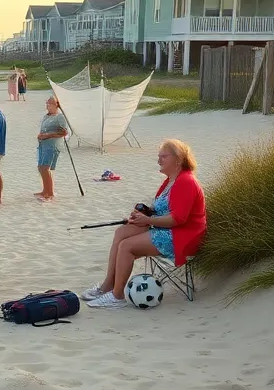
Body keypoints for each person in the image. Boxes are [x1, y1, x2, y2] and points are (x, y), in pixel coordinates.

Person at [82, 139, 206, 309]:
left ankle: (117, 296)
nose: (159, 160)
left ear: (178, 159)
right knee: (121, 233)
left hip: (182, 236)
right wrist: (143, 214)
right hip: (167, 228)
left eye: (164, 156)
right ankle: (108, 285)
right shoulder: (170, 180)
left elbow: (178, 219)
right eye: (158, 156)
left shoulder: (186, 181)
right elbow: (161, 210)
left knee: (126, 246)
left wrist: (147, 220)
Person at [35, 96, 68, 201]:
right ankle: (45, 190)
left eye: (49, 103)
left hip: (52, 146)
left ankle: (50, 193)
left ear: (56, 105)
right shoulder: (46, 116)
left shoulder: (60, 117)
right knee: (40, 167)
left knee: (45, 168)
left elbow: (64, 132)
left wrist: (48, 135)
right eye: (47, 103)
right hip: (43, 145)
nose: (47, 105)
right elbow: (43, 129)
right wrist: (41, 135)